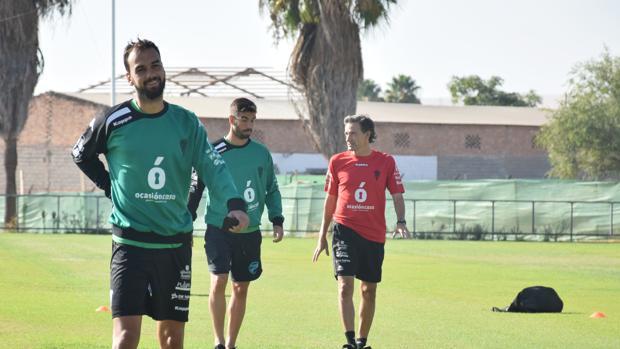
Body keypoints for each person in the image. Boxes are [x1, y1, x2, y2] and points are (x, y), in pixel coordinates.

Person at [71, 38, 249, 349]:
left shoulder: (186, 122)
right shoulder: (112, 120)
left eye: (155, 65)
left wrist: (234, 203)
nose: (151, 73)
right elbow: (81, 154)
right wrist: (110, 187)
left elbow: (212, 165)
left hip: (173, 245)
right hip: (129, 245)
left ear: (163, 69)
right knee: (126, 338)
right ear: (130, 77)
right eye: (141, 69)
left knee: (171, 339)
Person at [188, 98, 284, 349]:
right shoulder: (212, 151)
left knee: (240, 288)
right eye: (244, 119)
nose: (249, 124)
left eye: (252, 120)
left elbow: (272, 189)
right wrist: (186, 221)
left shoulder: (261, 153)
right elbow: (196, 189)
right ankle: (218, 341)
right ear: (232, 120)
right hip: (219, 228)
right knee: (219, 280)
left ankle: (231, 344)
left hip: (250, 232)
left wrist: (277, 218)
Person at [312, 114, 410, 349]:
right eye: (346, 133)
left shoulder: (386, 161)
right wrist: (322, 236)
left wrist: (401, 220)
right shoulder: (337, 161)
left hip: (374, 235)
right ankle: (349, 341)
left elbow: (397, 193)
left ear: (367, 135)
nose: (348, 137)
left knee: (369, 290)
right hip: (344, 230)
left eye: (353, 133)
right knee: (345, 285)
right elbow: (330, 199)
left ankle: (362, 341)